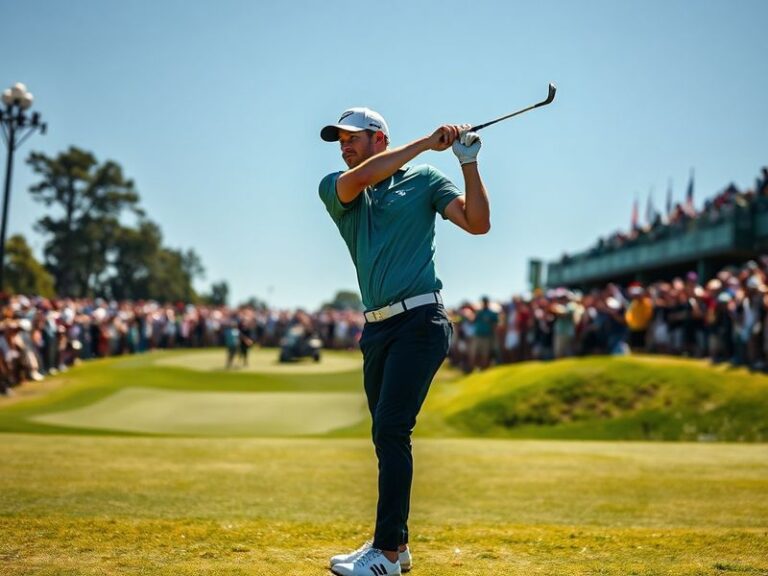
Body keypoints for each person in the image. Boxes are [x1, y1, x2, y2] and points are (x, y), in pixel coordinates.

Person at [319, 107, 490, 576]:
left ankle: (388, 555)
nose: (344, 146)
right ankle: (397, 543)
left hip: (421, 321)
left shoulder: (425, 181)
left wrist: (468, 162)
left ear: (379, 138)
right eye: (340, 140)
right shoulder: (338, 186)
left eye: (352, 138)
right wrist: (423, 142)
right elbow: (364, 176)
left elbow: (477, 223)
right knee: (384, 435)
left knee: (393, 429)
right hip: (376, 329)